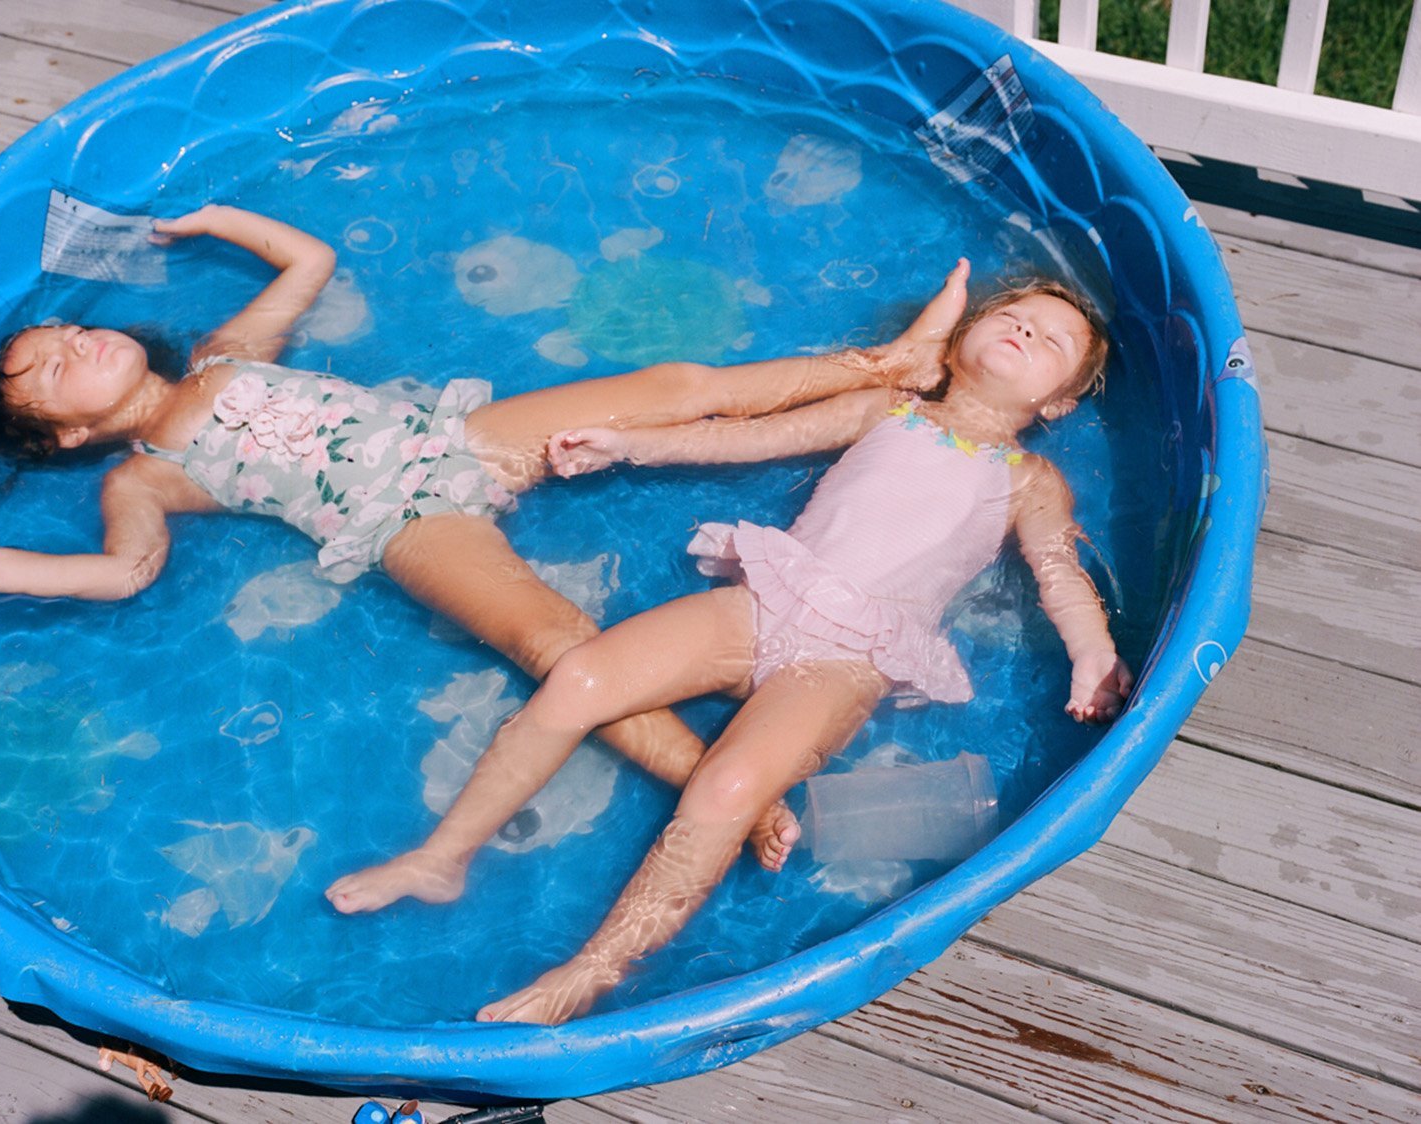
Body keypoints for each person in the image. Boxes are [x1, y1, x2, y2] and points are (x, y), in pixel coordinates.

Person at [0, 203, 964, 870]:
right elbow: (127, 568)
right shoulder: (145, 477)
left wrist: (213, 221)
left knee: (673, 387)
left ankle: (888, 365)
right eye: (53, 365)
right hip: (403, 522)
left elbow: (311, 258)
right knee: (558, 648)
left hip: (456, 437)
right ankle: (730, 789)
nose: (77, 339)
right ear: (67, 434)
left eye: (66, 330)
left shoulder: (224, 352)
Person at [324, 259, 1135, 1025]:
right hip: (768, 598)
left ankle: (594, 968)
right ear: (959, 343)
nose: (1026, 333)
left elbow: (1058, 569)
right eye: (1016, 317)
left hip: (845, 661)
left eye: (1051, 341)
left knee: (727, 787)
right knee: (579, 678)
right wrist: (631, 443)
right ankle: (443, 857)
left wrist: (1092, 651)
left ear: (1058, 402)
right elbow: (749, 438)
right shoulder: (885, 410)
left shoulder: (1028, 479)